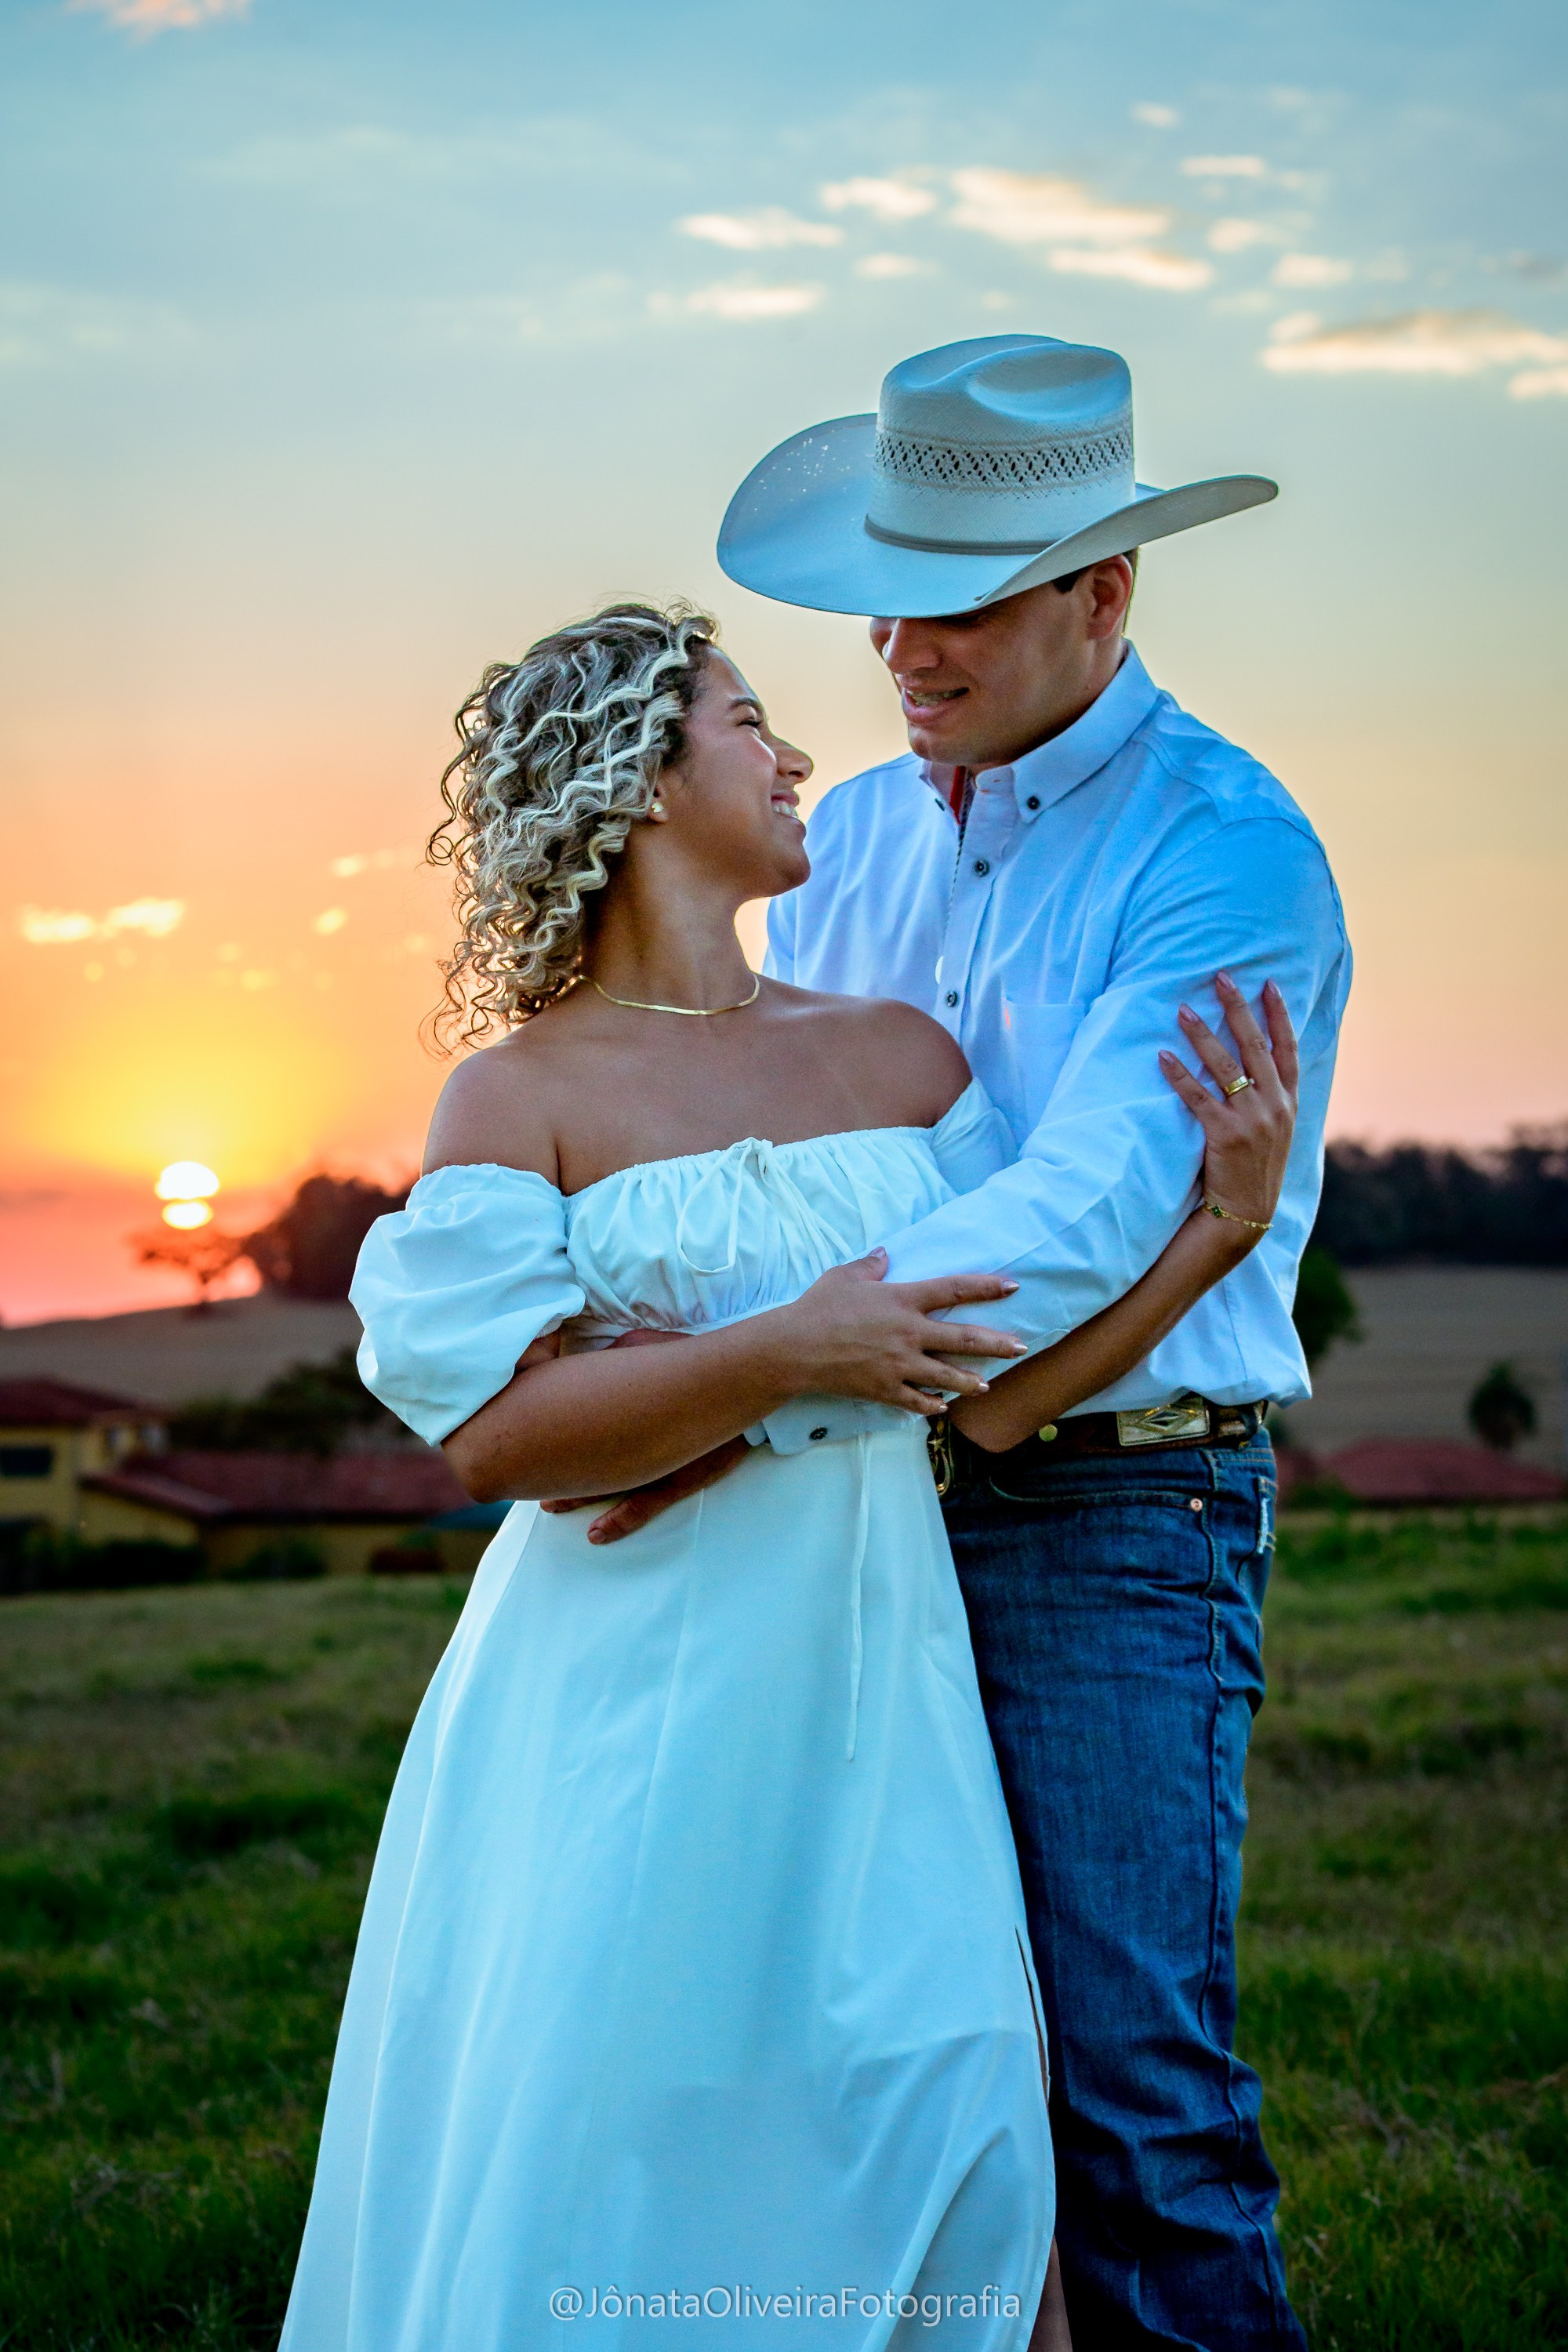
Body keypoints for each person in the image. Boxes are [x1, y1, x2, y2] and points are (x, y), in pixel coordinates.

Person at [278, 600, 1298, 2352]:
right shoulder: (515, 1095)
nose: (798, 750)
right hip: (618, 1689)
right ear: (640, 782)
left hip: (880, 1678)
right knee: (625, 2136)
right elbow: (497, 1439)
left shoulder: (900, 1057)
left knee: (954, 2120)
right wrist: (785, 1358)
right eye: (748, 722)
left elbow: (981, 1406)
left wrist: (1216, 1233)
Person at [705, 334, 1352, 2349]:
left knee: (1127, 2103)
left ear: (1106, 592)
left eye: (962, 598)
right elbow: (757, 1132)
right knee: (886, 2071)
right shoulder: (864, 846)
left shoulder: (1224, 852)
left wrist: (752, 1375)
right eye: (888, 588)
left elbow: (1084, 1220)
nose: (901, 643)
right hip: (850, 1502)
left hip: (1118, 1512)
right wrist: (748, 1358)